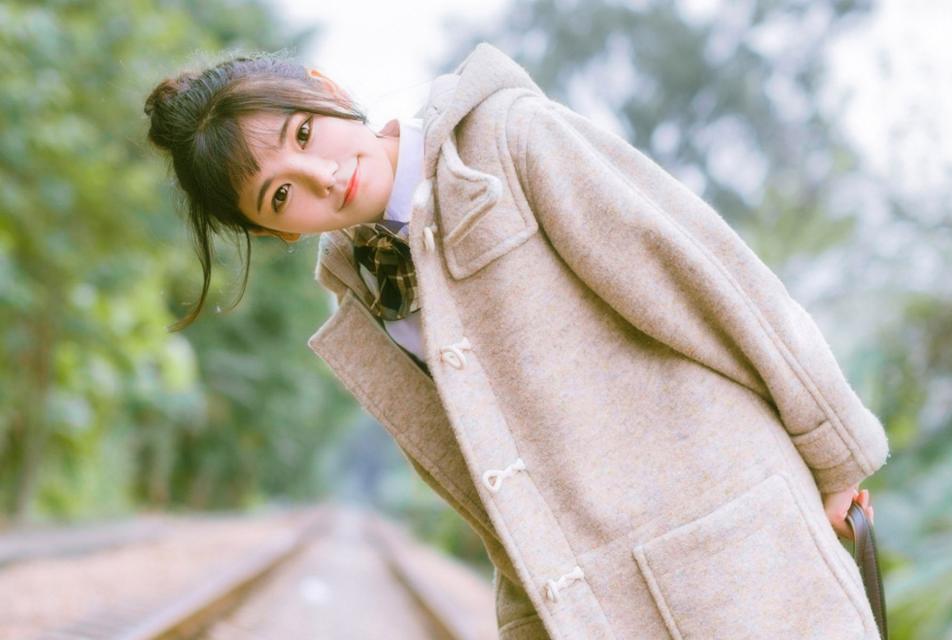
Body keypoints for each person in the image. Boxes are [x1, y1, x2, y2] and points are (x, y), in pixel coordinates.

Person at [145, 43, 888, 639]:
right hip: (597, 601)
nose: (320, 176)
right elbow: (494, 481)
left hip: (738, 553)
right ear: (275, 231)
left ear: (325, 88)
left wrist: (835, 456)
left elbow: (712, 281)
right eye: (280, 194)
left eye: (304, 134)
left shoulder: (505, 143)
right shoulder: (366, 295)